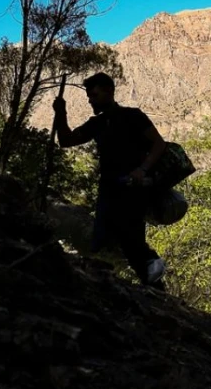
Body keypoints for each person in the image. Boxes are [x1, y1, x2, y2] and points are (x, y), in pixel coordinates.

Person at [52, 72, 168, 288]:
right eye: (88, 96)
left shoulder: (133, 116)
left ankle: (153, 269)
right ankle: (152, 281)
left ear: (110, 92)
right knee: (117, 239)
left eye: (94, 95)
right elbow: (66, 141)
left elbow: (159, 144)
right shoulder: (96, 124)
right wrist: (61, 113)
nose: (90, 100)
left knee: (129, 234)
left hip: (133, 188)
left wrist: (142, 170)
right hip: (109, 189)